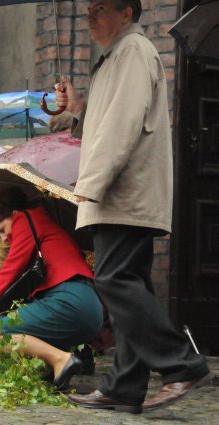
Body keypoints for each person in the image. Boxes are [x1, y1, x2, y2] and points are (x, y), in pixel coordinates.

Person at [55, 0, 212, 413]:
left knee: (113, 279)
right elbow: (106, 120)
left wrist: (89, 184)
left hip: (125, 193)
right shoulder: (113, 58)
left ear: (127, 13)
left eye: (101, 7)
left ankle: (182, 364)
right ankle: (124, 387)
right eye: (89, 7)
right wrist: (78, 109)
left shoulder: (133, 51)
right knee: (129, 283)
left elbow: (123, 124)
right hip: (118, 192)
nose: (90, 15)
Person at [0, 187, 103, 391]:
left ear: (13, 215)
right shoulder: (42, 224)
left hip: (70, 301)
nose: (4, 238)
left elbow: (10, 269)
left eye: (2, 231)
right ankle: (54, 371)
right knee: (20, 323)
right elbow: (12, 287)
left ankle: (61, 360)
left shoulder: (25, 219)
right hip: (88, 307)